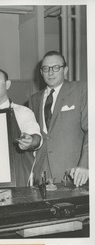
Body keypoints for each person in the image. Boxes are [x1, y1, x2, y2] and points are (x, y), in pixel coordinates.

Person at [0, 68, 41, 187]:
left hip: (17, 179)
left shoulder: (23, 112)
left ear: (7, 84)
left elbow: (37, 139)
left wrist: (30, 140)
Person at [29, 50, 88, 187]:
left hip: (73, 173)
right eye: (46, 68)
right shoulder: (34, 99)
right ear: (41, 72)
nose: (50, 72)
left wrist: (85, 165)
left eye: (56, 68)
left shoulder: (80, 89)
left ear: (65, 70)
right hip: (41, 175)